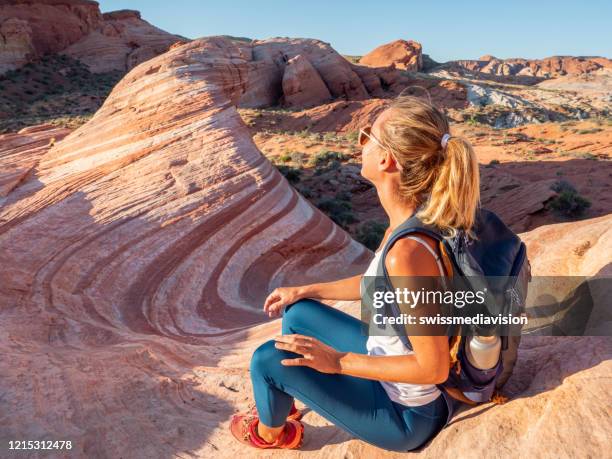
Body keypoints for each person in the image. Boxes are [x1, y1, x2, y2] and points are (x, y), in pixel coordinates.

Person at [229, 94, 480, 451]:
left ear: (386, 159)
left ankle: (272, 433)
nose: (359, 143)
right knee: (299, 312)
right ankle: (290, 397)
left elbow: (433, 367)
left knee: (266, 359)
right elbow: (383, 288)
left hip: (408, 413)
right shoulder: (415, 219)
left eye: (367, 136)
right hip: (389, 362)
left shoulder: (408, 252)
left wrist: (339, 362)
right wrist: (307, 289)